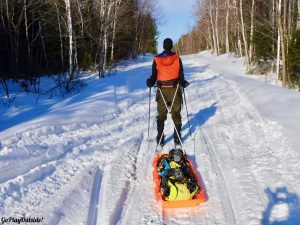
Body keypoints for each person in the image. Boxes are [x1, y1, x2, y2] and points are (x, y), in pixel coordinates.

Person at [146, 38, 189, 147]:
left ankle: (160, 138)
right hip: (175, 89)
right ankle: (177, 137)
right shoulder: (177, 58)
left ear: (164, 46)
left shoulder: (156, 59)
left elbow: (154, 76)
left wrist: (150, 82)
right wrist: (183, 83)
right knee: (176, 114)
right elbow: (181, 75)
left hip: (162, 91)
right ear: (171, 46)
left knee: (161, 115)